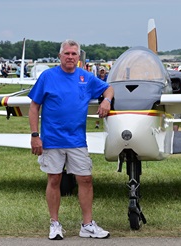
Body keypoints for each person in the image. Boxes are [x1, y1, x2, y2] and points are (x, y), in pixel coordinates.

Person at [28, 39, 114, 240]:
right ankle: (55, 224)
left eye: (74, 54)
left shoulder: (86, 77)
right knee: (54, 179)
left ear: (79, 57)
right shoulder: (47, 77)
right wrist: (34, 136)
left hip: (77, 140)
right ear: (60, 56)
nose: (70, 57)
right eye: (66, 53)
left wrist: (107, 101)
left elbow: (108, 88)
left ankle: (87, 225)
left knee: (85, 179)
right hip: (52, 139)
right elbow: (34, 107)